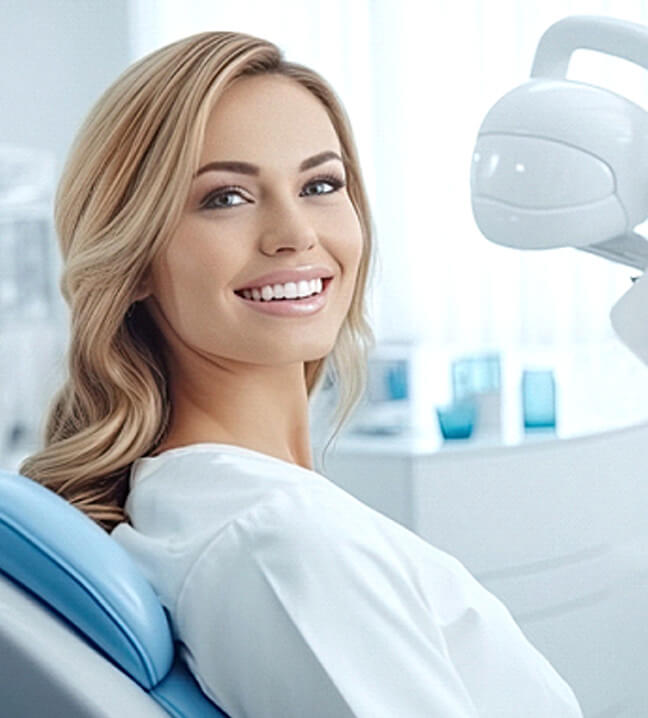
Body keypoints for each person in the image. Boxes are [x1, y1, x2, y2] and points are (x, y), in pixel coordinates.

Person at [19, 30, 583, 717]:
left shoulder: (229, 507)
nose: (294, 233)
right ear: (133, 259)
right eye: (225, 197)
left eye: (320, 185)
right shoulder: (279, 537)